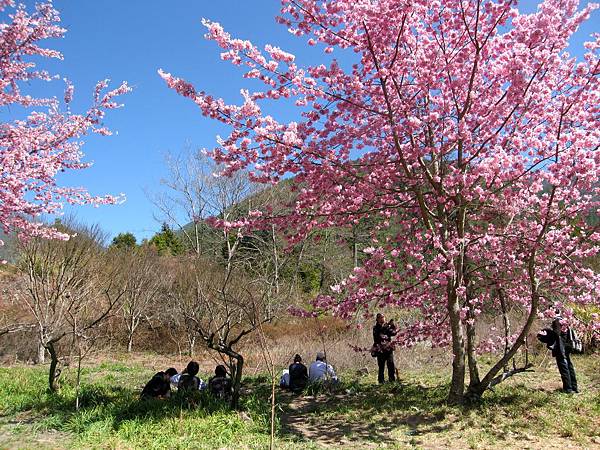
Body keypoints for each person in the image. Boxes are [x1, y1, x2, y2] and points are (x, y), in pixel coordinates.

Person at [537, 318, 579, 393]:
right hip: (566, 347)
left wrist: (547, 333)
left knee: (564, 369)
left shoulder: (557, 322)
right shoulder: (565, 321)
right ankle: (574, 387)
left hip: (560, 349)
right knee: (569, 366)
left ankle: (568, 389)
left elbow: (557, 334)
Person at [372, 313, 397, 384]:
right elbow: (377, 336)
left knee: (391, 364)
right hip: (380, 349)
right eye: (380, 317)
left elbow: (393, 333)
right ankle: (381, 381)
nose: (382, 319)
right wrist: (385, 327)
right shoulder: (375, 327)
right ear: (377, 319)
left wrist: (392, 325)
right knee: (381, 366)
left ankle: (392, 380)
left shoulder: (387, 326)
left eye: (383, 317)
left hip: (388, 348)